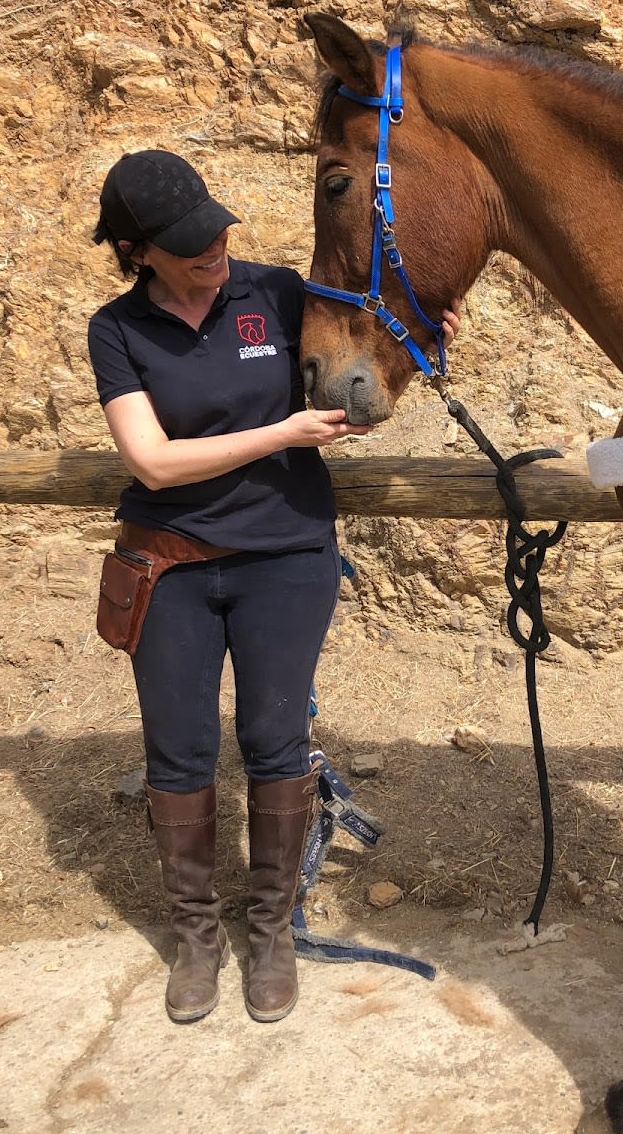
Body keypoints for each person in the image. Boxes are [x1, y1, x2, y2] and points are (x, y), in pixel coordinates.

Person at [87, 149, 459, 1024]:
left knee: (274, 742)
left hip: (286, 560)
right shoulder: (118, 331)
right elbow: (150, 459)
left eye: (217, 230)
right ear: (138, 251)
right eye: (187, 243)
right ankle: (196, 937)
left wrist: (422, 327)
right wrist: (279, 433)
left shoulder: (276, 293)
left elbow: (367, 340)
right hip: (168, 564)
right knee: (176, 753)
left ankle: (271, 932)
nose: (214, 248)